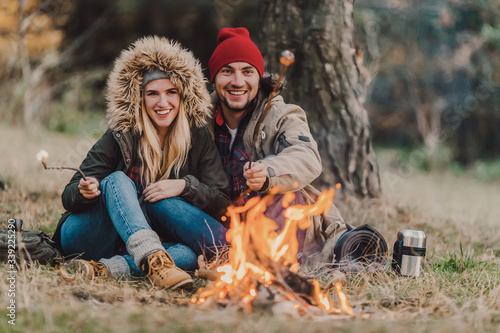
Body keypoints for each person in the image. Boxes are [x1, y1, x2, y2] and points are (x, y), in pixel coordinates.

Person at [52, 36, 230, 289]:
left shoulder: (197, 138)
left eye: (171, 92)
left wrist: (184, 186)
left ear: (183, 96)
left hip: (144, 245)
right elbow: (68, 196)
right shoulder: (122, 134)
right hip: (91, 236)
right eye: (152, 94)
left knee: (189, 256)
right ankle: (150, 256)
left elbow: (221, 202)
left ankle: (109, 269)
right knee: (116, 179)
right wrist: (86, 192)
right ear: (139, 98)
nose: (162, 103)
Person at [208, 27, 349, 267]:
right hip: (220, 224)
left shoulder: (281, 115)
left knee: (284, 191)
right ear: (215, 78)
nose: (237, 81)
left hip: (273, 222)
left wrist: (268, 172)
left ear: (258, 77)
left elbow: (306, 157)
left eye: (247, 71)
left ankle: (274, 265)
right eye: (227, 71)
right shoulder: (200, 118)